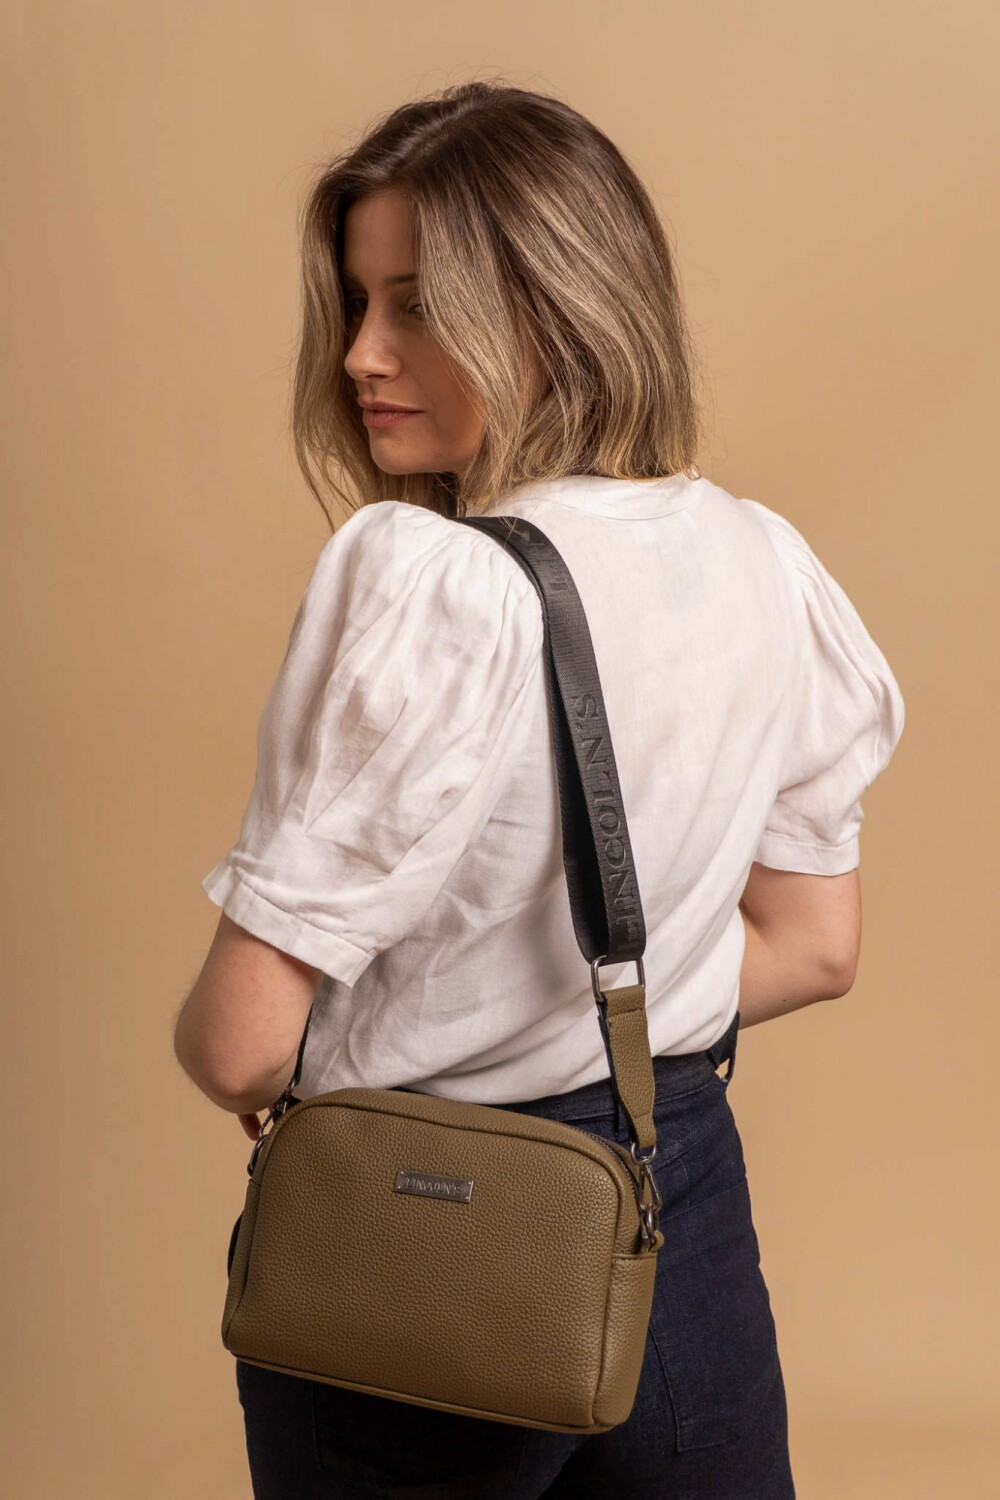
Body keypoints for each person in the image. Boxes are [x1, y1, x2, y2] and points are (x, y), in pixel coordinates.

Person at [186, 79, 905, 1498]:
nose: (361, 354)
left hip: (420, 1234)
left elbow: (238, 1050)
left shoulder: (430, 579)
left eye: (415, 306)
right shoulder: (766, 561)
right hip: (675, 1210)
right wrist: (597, 1028)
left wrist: (408, 1040)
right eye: (357, 304)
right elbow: (816, 948)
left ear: (555, 309)